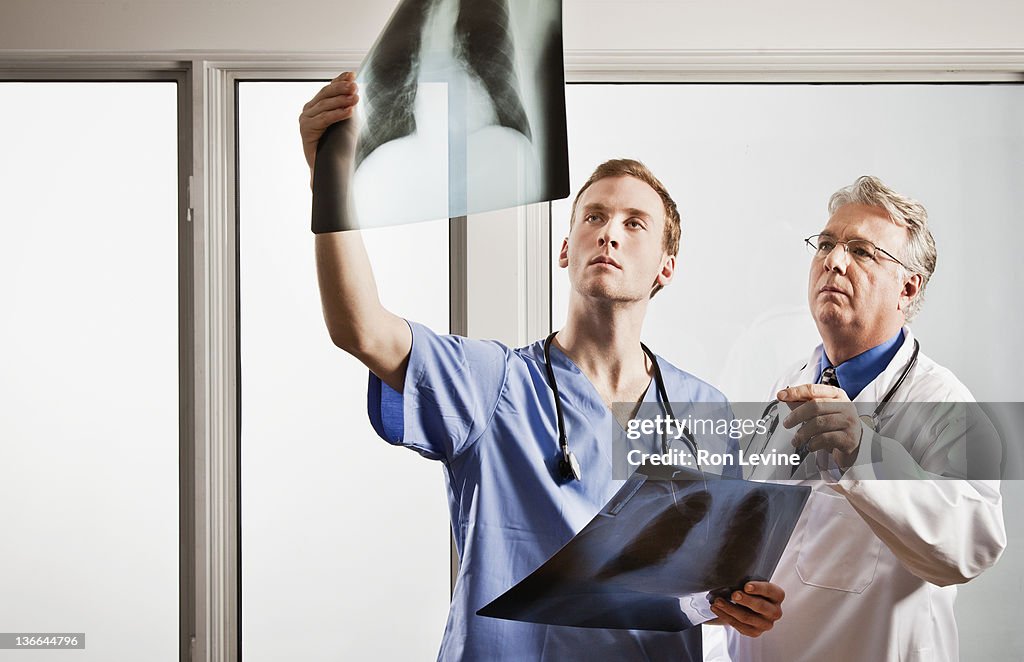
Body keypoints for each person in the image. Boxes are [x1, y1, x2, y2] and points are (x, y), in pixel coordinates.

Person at [300, 73, 784, 661]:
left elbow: (708, 588)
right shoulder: (493, 383)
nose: (610, 233)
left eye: (635, 224)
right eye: (594, 217)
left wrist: (737, 605)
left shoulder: (700, 411)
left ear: (666, 267)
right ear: (565, 249)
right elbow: (362, 328)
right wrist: (331, 181)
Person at [728, 176, 1007, 662]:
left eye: (861, 251)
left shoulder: (945, 406)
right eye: (828, 244)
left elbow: (973, 546)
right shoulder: (782, 385)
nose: (833, 261)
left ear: (908, 287)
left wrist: (864, 452)